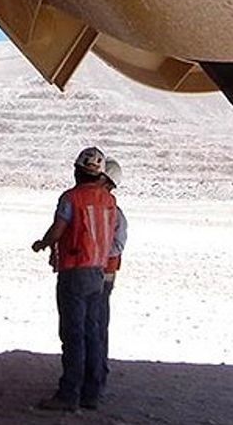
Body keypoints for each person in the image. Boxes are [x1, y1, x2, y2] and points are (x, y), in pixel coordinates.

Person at [30, 146, 118, 412]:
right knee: (93, 333)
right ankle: (91, 394)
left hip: (75, 271)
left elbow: (59, 229)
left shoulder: (71, 198)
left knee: (73, 334)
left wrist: (42, 243)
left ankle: (68, 394)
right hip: (98, 274)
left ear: (77, 171)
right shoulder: (109, 201)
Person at [99, 157, 127, 401]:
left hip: (100, 277)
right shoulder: (109, 210)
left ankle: (96, 380)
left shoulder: (114, 213)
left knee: (95, 327)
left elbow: (115, 246)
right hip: (97, 274)